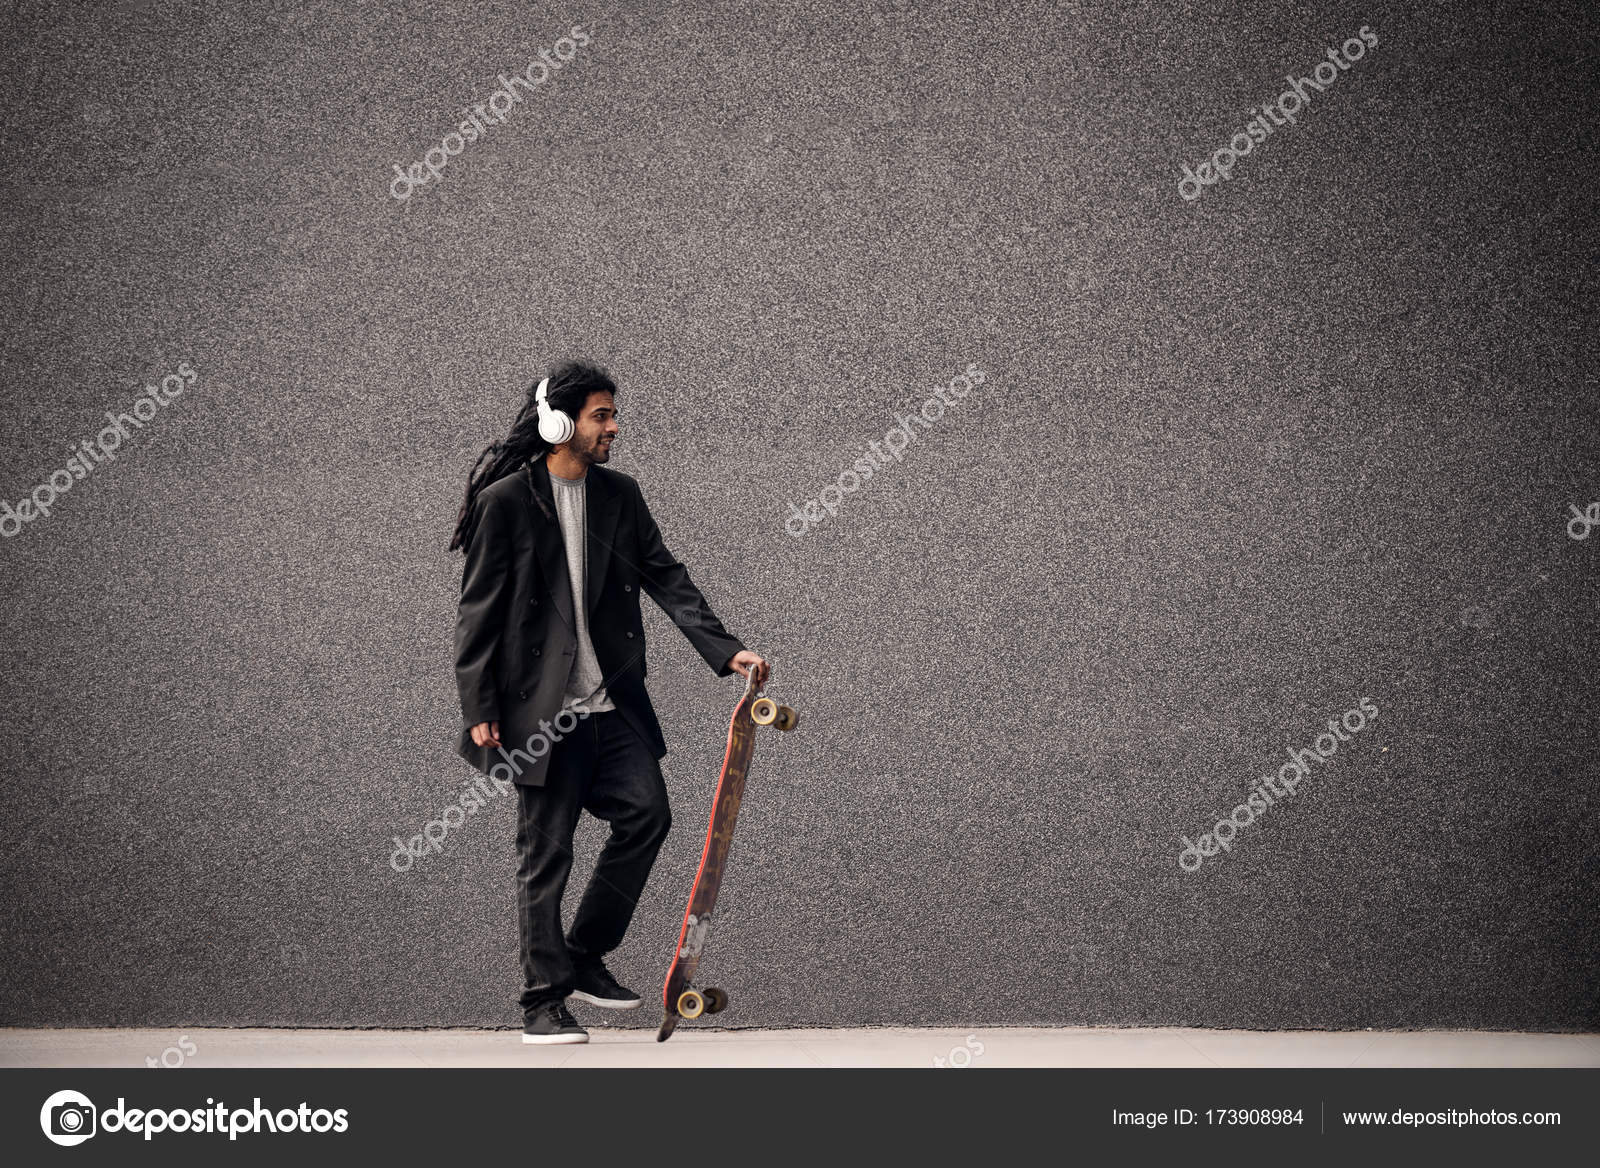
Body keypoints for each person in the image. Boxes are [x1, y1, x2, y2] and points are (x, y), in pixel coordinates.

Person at [448, 360, 768, 1044]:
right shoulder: (507, 501)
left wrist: (725, 649)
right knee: (546, 854)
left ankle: (585, 953)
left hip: (609, 706)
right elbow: (477, 612)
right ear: (560, 423)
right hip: (539, 717)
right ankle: (542, 1002)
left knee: (647, 815)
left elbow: (665, 575)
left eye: (612, 415)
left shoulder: (620, 496)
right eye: (602, 416)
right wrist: (479, 707)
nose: (613, 428)